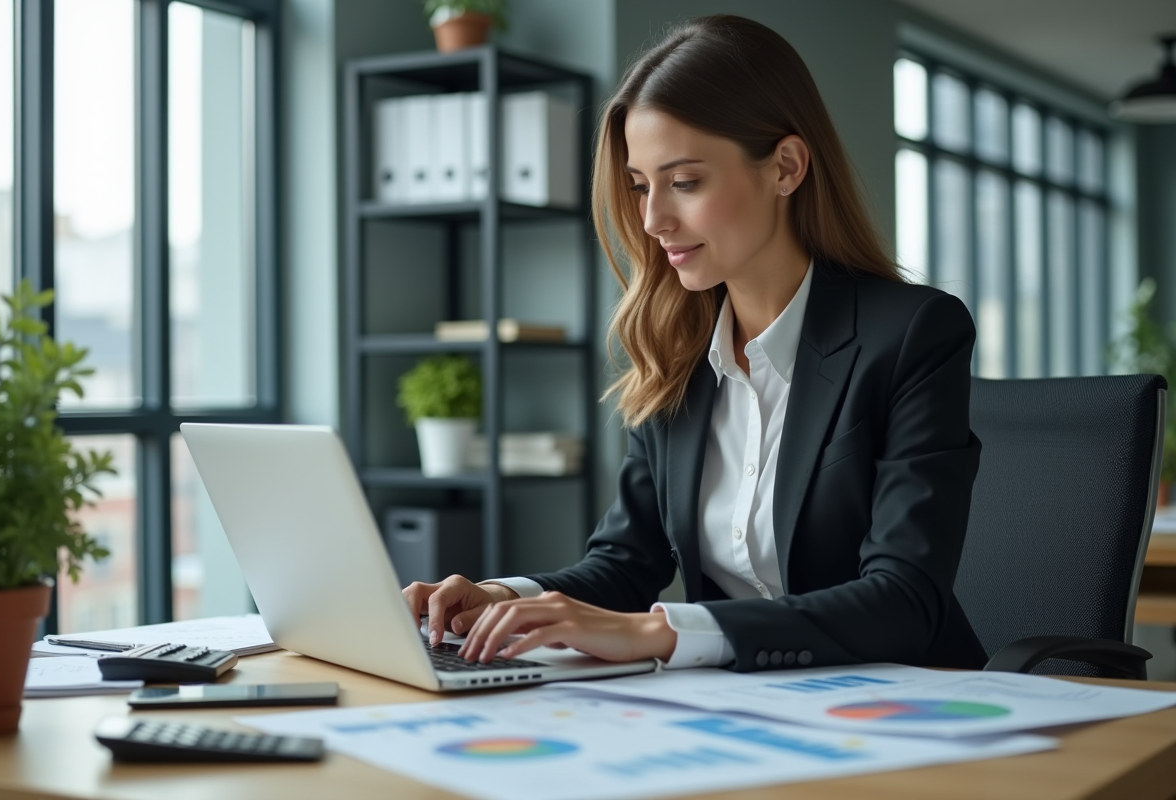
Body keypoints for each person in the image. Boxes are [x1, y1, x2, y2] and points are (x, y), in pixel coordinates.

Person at [402, 13, 987, 673]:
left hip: (912, 707)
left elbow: (903, 601)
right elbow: (625, 562)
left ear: (786, 167)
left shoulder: (913, 335)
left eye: (684, 182)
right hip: (747, 709)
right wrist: (503, 598)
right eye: (640, 186)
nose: (652, 220)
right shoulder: (674, 348)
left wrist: (661, 633)